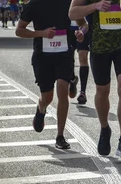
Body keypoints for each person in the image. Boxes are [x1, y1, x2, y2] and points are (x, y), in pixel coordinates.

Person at [15, 0, 87, 149]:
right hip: (42, 57)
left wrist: (81, 32)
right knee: (48, 97)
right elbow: (19, 30)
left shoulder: (69, 3)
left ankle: (60, 136)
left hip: (64, 54)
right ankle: (41, 108)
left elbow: (84, 24)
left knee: (62, 88)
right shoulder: (35, 4)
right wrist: (41, 33)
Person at [69, 0, 121, 158]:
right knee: (102, 91)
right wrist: (95, 6)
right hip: (99, 47)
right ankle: (105, 128)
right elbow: (72, 13)